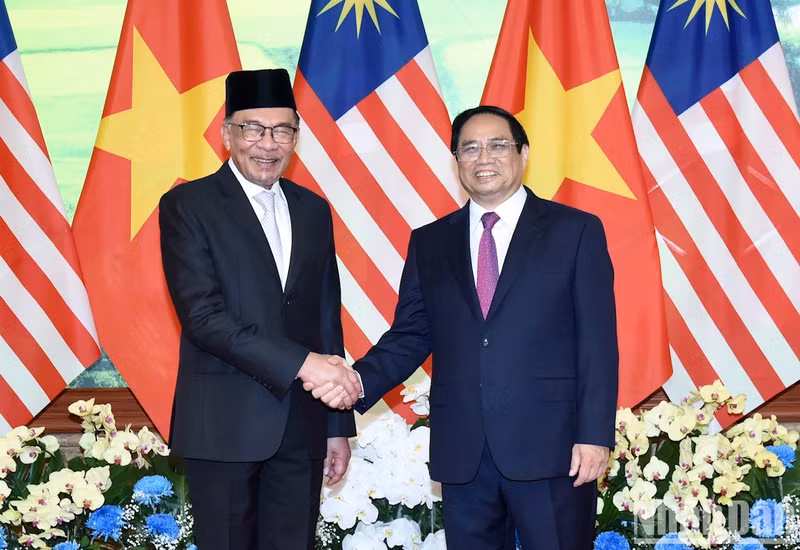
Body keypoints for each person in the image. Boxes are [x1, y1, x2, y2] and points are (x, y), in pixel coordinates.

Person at [310, 105, 618, 549]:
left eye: (497, 145)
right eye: (469, 148)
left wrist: (593, 435)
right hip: (464, 454)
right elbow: (413, 333)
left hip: (553, 450)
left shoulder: (575, 231)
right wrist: (355, 383)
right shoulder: (431, 241)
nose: (483, 157)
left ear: (523, 153)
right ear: (456, 161)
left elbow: (598, 343)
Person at [159, 68, 361, 550]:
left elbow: (325, 321)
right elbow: (203, 317)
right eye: (253, 128)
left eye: (282, 130)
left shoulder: (313, 209)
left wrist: (336, 429)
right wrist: (305, 364)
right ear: (227, 133)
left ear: (296, 136)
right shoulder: (188, 205)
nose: (267, 144)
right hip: (224, 426)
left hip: (302, 428)